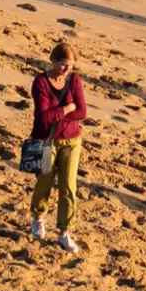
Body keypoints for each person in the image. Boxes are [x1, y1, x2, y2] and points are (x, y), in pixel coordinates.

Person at [28, 42, 88, 254]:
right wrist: (67, 108)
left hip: (72, 140)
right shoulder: (41, 83)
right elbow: (43, 117)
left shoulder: (74, 80)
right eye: (63, 64)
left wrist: (59, 113)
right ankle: (38, 217)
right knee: (44, 183)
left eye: (70, 65)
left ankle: (64, 232)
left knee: (68, 187)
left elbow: (81, 112)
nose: (67, 69)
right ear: (52, 61)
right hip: (47, 140)